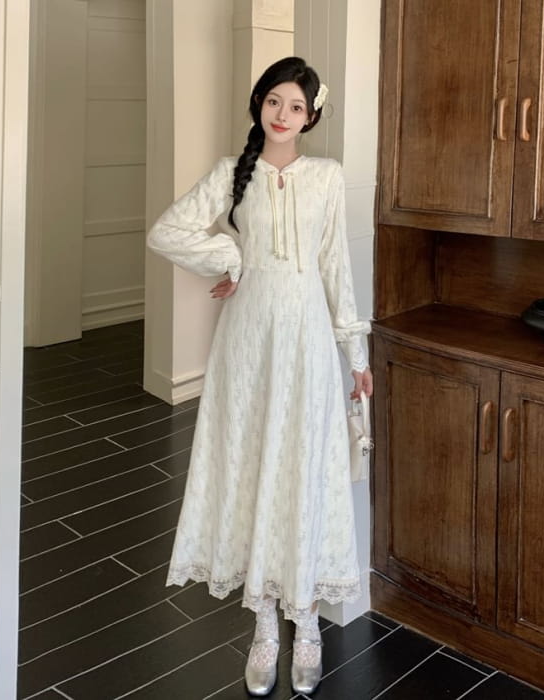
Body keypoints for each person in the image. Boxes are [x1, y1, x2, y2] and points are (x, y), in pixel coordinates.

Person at [147, 56, 373, 696]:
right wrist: (230, 255)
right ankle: (265, 627)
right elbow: (167, 231)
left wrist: (357, 358)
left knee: (303, 471)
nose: (282, 114)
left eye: (296, 106)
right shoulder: (231, 172)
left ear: (311, 116)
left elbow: (336, 267)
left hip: (307, 344)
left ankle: (308, 623)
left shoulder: (327, 177)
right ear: (259, 103)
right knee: (253, 471)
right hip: (247, 345)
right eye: (274, 100)